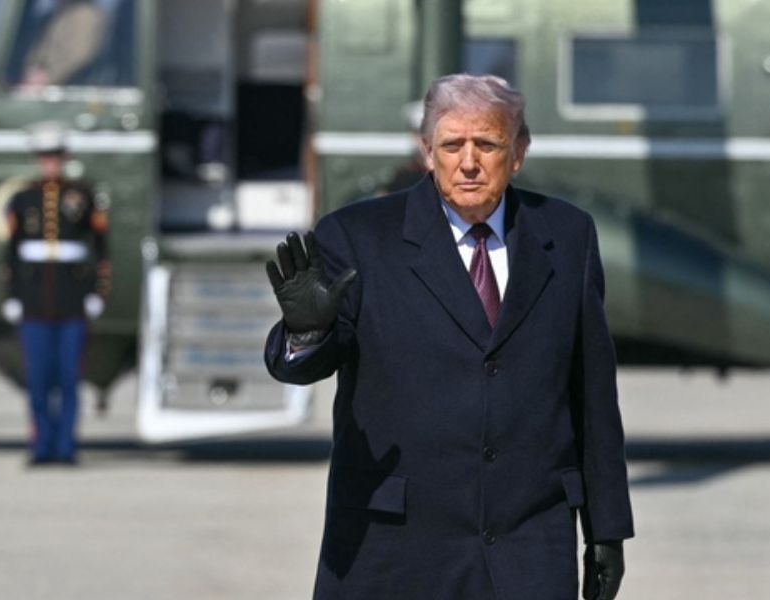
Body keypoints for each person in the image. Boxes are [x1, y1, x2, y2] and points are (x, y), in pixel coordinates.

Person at [264, 74, 634, 600]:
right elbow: (303, 365)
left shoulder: (568, 235)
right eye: (452, 145)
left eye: (487, 144)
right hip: (395, 549)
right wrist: (307, 330)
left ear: (519, 152)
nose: (468, 162)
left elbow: (592, 393)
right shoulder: (358, 237)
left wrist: (607, 528)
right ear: (426, 151)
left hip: (529, 547)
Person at [2, 123, 110, 466]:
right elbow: (11, 252)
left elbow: (101, 249)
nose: (50, 162)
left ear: (65, 158)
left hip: (72, 298)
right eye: (44, 156)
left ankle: (66, 447)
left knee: (68, 378)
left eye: (55, 156)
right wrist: (12, 295)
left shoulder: (83, 195)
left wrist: (97, 292)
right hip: (34, 300)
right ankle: (41, 446)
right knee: (38, 379)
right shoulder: (23, 199)